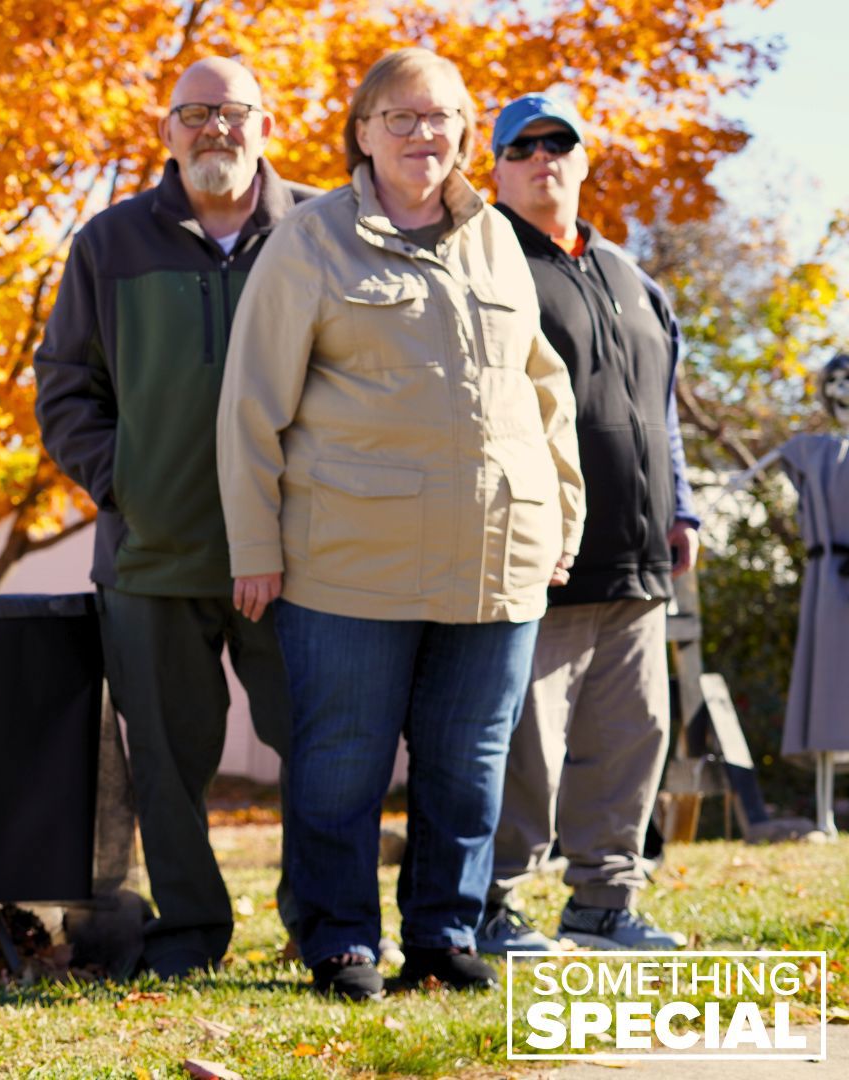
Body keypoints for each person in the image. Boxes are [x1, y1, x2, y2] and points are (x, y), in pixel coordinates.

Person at [216, 48, 584, 1000]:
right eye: (403, 118)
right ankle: (341, 942)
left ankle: (443, 934)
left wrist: (560, 519)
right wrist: (255, 546)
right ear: (365, 133)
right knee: (342, 764)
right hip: (349, 560)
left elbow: (544, 391)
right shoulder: (309, 241)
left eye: (444, 118)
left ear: (467, 132)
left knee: (470, 764)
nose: (426, 135)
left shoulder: (497, 238)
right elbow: (252, 404)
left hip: (495, 557)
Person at [34, 56, 317, 976]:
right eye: (193, 113)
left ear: (264, 125)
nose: (214, 130)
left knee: (322, 749)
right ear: (167, 133)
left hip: (301, 555)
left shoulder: (323, 231)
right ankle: (191, 932)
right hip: (151, 560)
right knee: (165, 760)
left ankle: (323, 925)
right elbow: (67, 386)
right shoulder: (108, 243)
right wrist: (128, 483)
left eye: (233, 112)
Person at [474, 94, 696, 955]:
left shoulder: (635, 280)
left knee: (631, 739)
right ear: (493, 168)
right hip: (540, 558)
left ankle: (605, 901)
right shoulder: (485, 264)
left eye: (557, 143)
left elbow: (661, 410)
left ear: (581, 159)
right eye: (520, 147)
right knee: (523, 748)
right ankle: (492, 905)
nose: (541, 159)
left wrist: (682, 507)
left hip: (640, 565)